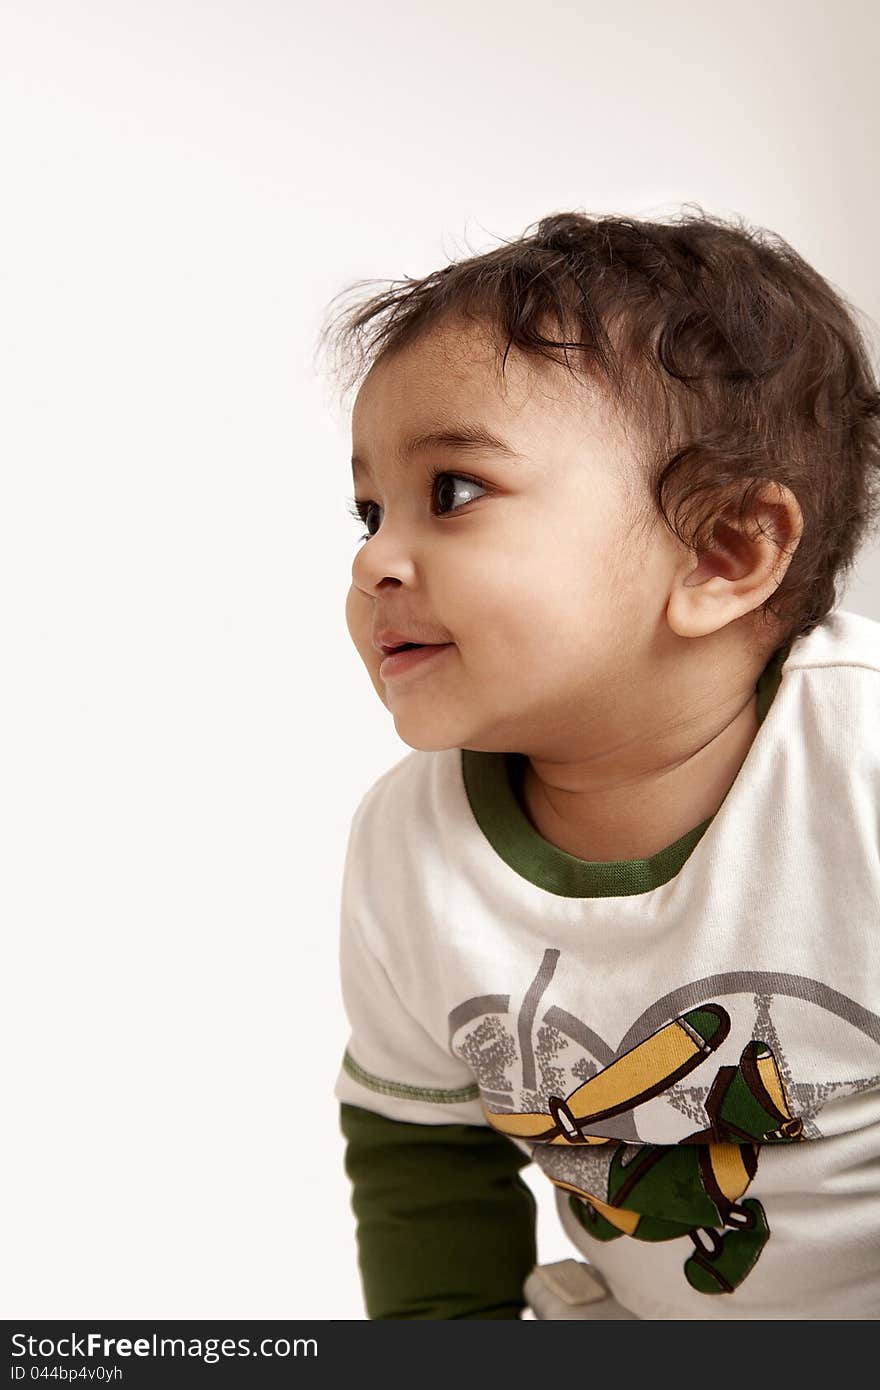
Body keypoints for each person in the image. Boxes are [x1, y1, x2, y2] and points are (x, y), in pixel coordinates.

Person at [319, 208, 880, 1319]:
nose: (375, 556)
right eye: (369, 508)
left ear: (722, 553)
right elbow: (420, 1146)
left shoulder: (856, 767)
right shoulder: (409, 847)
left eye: (455, 493)